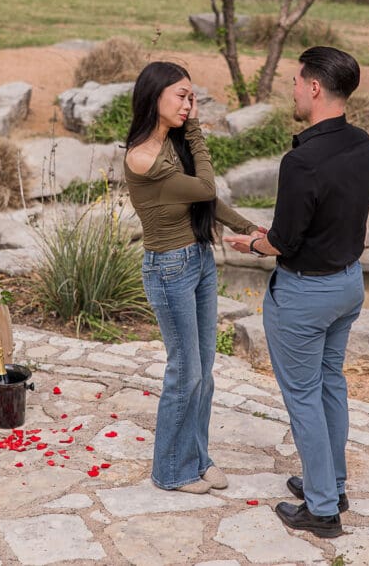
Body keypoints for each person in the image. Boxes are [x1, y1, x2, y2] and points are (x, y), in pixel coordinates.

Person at [225, 47, 369, 537]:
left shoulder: (302, 161)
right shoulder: (364, 145)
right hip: (348, 285)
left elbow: (283, 242)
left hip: (305, 295)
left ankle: (322, 510)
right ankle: (331, 483)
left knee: (304, 397)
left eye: (295, 81)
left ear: (314, 88)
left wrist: (250, 241)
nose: (291, 88)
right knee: (330, 382)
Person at [125, 61, 262, 494]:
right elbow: (204, 189)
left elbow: (207, 202)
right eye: (182, 96)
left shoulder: (172, 143)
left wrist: (248, 229)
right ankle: (170, 470)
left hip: (198, 260)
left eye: (192, 98)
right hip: (169, 268)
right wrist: (198, 130)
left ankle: (197, 459)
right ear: (155, 96)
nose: (189, 105)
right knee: (185, 371)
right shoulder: (143, 156)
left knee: (204, 369)